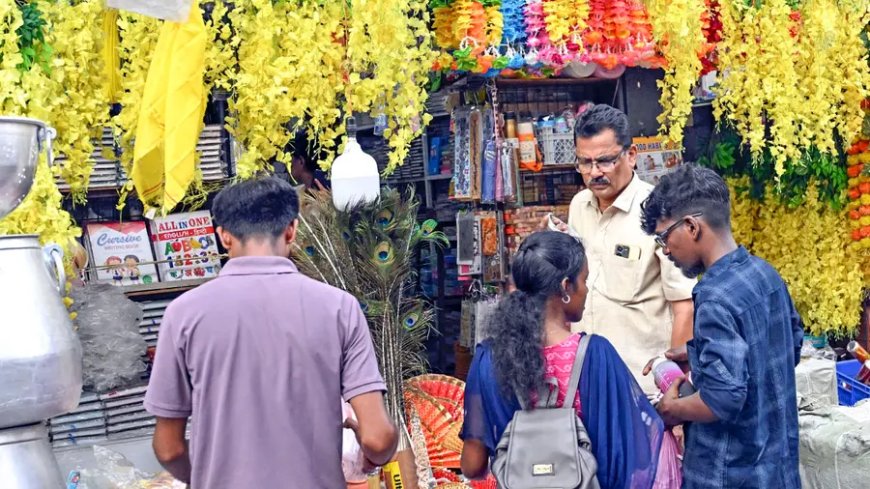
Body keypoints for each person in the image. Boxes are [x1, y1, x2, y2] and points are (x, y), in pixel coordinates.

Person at [144, 177, 398, 488]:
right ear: (292, 230)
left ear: (224, 236)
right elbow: (379, 437)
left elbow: (168, 448)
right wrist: (372, 456)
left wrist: (203, 478)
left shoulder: (183, 314)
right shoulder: (340, 308)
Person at [639, 165, 803, 489]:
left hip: (730, 473)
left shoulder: (714, 296)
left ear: (691, 226)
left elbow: (723, 398)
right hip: (777, 468)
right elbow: (789, 345)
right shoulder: (764, 273)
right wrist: (697, 353)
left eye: (664, 238)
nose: (666, 250)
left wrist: (672, 409)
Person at [460, 231, 664, 489]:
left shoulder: (488, 360)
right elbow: (631, 456)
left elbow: (472, 466)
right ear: (566, 286)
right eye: (585, 279)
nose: (587, 289)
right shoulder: (596, 356)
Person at [546, 104, 696, 394]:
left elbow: (684, 306)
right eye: (584, 163)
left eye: (605, 161)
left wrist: (675, 385)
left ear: (631, 155)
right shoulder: (579, 205)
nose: (594, 173)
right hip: (586, 379)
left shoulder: (661, 211)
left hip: (641, 384)